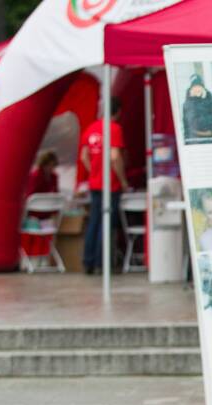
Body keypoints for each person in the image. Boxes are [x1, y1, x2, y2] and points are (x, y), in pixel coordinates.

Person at [80, 96, 128, 275]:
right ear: (118, 111)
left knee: (94, 221)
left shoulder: (91, 128)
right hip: (111, 184)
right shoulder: (114, 129)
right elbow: (115, 156)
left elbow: (84, 155)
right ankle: (102, 262)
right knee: (106, 222)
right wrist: (123, 181)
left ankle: (88, 261)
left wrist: (93, 171)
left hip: (94, 183)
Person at [182, 74, 212, 144]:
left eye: (199, 86)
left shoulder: (209, 98)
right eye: (195, 86)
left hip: (211, 139)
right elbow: (186, 125)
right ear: (191, 88)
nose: (197, 89)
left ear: (203, 87)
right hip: (195, 140)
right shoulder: (187, 103)